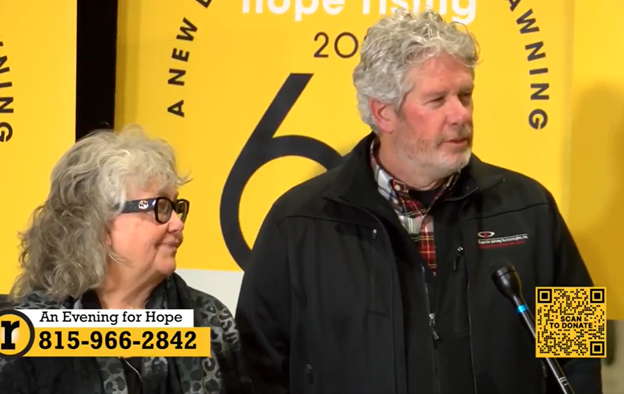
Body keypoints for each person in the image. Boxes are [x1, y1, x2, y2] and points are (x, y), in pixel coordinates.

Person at [235, 8, 602, 394]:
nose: (460, 114)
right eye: (437, 100)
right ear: (384, 113)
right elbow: (255, 367)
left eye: (465, 95)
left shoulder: (531, 209)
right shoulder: (299, 222)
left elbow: (579, 348)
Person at [0, 126, 251, 394]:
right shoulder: (24, 330)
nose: (178, 224)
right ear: (98, 223)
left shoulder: (209, 319)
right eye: (161, 207)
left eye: (176, 207)